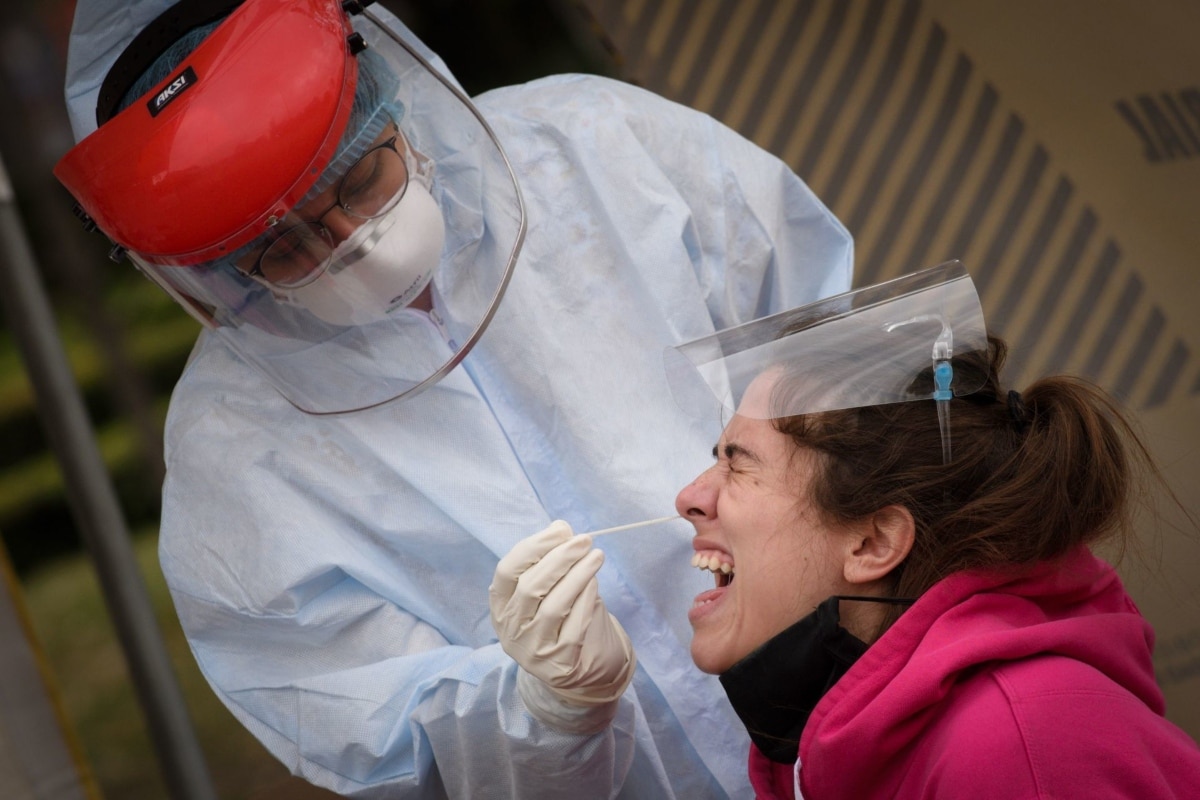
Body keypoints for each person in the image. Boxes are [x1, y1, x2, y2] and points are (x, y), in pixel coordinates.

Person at [53, 0, 853, 797]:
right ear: (217, 274)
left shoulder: (597, 150)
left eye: (363, 180)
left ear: (387, 96)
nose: (353, 246)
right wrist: (544, 710)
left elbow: (849, 377)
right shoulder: (233, 457)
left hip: (880, 725)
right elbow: (378, 739)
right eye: (285, 249)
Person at [497, 262, 1200, 798]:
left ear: (872, 544)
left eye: (738, 466)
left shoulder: (1015, 738)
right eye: (714, 457)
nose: (689, 498)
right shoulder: (815, 745)